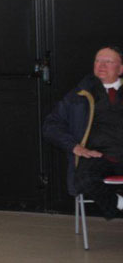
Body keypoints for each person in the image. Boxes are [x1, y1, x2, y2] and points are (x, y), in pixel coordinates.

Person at [43, 45, 123, 219]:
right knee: (84, 178)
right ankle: (119, 203)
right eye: (98, 61)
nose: (101, 65)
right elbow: (50, 126)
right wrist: (76, 147)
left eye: (108, 62)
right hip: (96, 155)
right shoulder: (79, 96)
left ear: (120, 69)